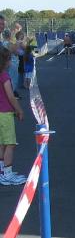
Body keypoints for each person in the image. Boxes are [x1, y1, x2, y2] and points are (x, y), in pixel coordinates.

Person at [0, 46, 27, 185]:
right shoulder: (4, 76)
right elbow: (11, 96)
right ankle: (7, 174)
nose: (11, 62)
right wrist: (19, 110)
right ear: (4, 61)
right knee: (10, 143)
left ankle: (2, 171)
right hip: (5, 114)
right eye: (9, 59)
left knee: (1, 143)